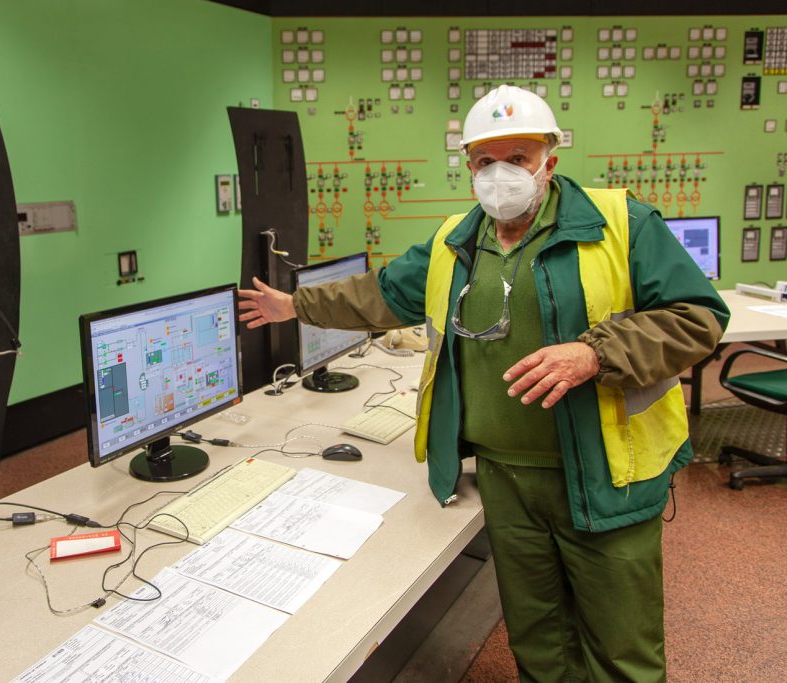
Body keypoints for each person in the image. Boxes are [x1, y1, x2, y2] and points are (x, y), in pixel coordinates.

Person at [237, 84, 730, 682]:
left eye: (518, 158)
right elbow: (383, 293)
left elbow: (696, 317)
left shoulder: (621, 223)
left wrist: (592, 354)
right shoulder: (456, 240)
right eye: (484, 162)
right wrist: (298, 305)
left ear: (550, 158)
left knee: (621, 649)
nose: (500, 175)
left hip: (606, 474)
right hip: (504, 476)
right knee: (538, 639)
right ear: (468, 166)